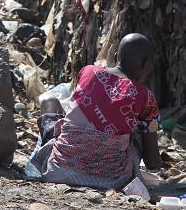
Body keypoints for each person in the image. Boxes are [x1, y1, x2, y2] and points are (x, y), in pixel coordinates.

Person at [27, 33, 162, 190]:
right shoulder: (146, 97)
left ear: (116, 57)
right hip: (113, 180)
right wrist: (158, 162)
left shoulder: (88, 71)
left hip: (59, 170)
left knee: (50, 103)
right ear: (146, 64)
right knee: (137, 132)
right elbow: (151, 162)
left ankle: (37, 163)